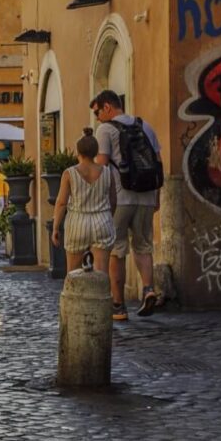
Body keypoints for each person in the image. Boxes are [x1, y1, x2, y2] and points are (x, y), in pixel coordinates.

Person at [92, 90, 163, 318]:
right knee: (143, 246)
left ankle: (118, 305)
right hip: (146, 195)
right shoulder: (146, 126)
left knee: (117, 250)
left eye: (97, 112)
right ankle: (149, 290)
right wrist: (156, 198)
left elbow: (102, 165)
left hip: (120, 197)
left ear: (107, 108)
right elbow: (158, 163)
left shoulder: (105, 129)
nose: (97, 117)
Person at [52, 129, 118, 296]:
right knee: (102, 274)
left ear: (78, 152)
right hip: (102, 220)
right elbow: (113, 201)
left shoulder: (69, 173)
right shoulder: (107, 172)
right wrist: (108, 217)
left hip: (77, 222)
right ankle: (101, 312)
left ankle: (74, 313)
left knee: (72, 273)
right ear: (96, 152)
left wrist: (55, 228)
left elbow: (61, 203)